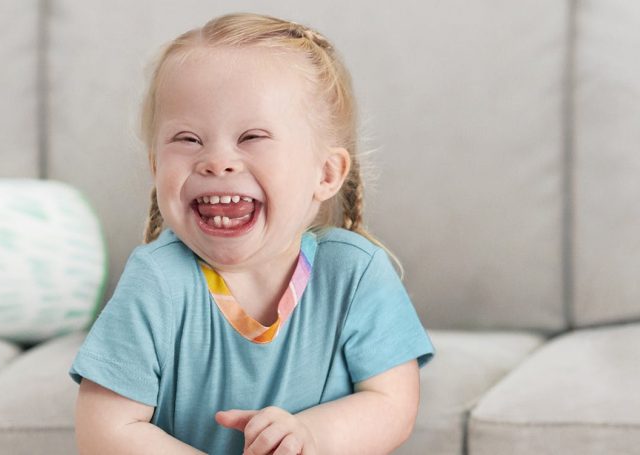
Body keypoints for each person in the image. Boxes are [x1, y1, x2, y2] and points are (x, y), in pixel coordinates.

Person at [70, 12, 434, 455]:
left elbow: (391, 403)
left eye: (252, 137)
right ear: (155, 166)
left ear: (326, 172)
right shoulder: (156, 280)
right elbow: (105, 430)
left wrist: (312, 436)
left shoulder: (355, 273)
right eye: (188, 139)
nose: (217, 161)